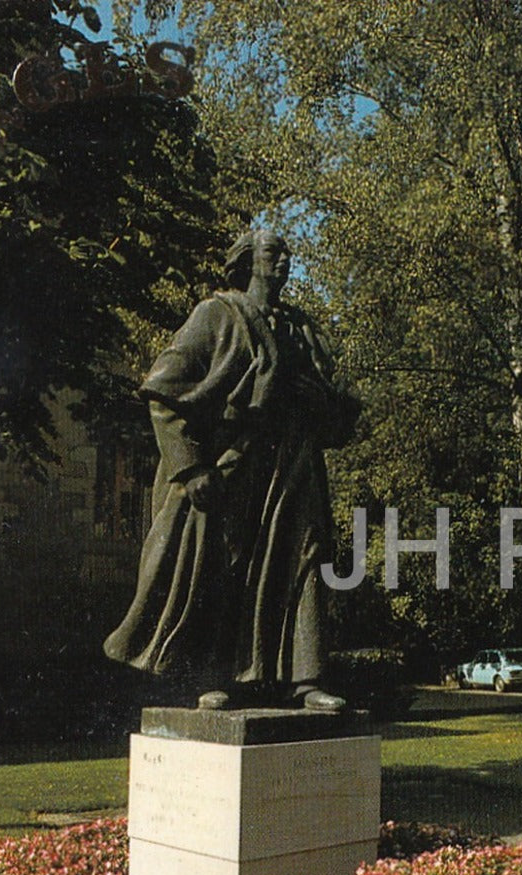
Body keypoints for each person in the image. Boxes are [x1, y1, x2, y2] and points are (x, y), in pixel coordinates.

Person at [104, 230, 360, 711]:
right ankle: (208, 676)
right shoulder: (216, 316)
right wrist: (190, 466)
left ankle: (305, 681)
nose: (284, 260)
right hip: (232, 469)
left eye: (288, 253)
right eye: (273, 252)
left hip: (292, 471)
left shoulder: (301, 330)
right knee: (221, 568)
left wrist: (319, 401)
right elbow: (162, 395)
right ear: (248, 261)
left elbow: (342, 414)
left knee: (300, 563)